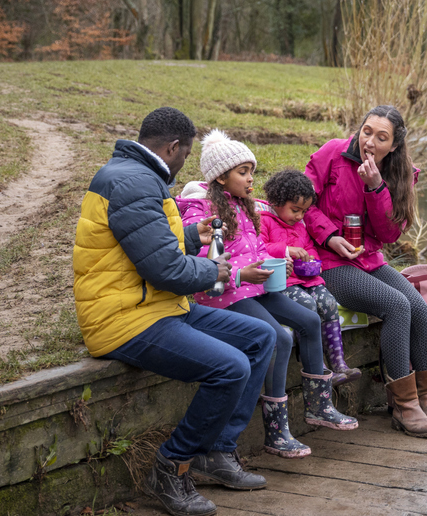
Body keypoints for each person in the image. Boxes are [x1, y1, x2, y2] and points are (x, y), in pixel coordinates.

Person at [72, 108, 275, 516]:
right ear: (173, 147)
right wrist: (217, 268)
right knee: (231, 366)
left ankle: (217, 451)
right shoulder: (133, 182)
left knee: (261, 336)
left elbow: (141, 242)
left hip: (154, 305)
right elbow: (163, 269)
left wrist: (187, 235)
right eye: (185, 154)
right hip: (124, 317)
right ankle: (171, 466)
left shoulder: (132, 175)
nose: (184, 163)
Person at [176, 130, 357, 460]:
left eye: (252, 172)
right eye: (243, 173)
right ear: (220, 176)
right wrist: (241, 273)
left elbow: (256, 248)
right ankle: (276, 431)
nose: (250, 180)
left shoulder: (245, 208)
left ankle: (319, 404)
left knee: (309, 319)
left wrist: (277, 265)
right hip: (226, 295)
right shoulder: (204, 212)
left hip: (256, 287)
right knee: (280, 338)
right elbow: (205, 269)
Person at [303, 104, 427, 438]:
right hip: (330, 260)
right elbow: (301, 204)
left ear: (393, 146)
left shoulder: (400, 173)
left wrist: (375, 187)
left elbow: (389, 234)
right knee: (396, 305)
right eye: (367, 132)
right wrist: (330, 236)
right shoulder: (332, 155)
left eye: (381, 138)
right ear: (359, 129)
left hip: (368, 258)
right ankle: (404, 406)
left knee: (419, 307)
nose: (370, 142)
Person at [259, 168, 363, 388]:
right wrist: (288, 250)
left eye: (303, 211)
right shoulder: (264, 221)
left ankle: (339, 362)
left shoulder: (300, 226)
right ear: (277, 201)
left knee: (328, 302)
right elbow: (260, 249)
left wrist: (312, 261)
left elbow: (309, 249)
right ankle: (320, 367)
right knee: (306, 305)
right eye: (295, 209)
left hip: (307, 279)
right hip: (284, 282)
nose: (299, 216)